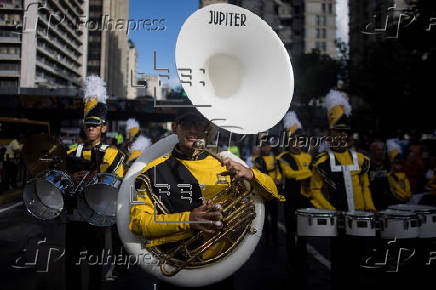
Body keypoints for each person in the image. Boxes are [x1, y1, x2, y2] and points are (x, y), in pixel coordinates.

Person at [129, 110, 284, 290]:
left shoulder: (224, 164)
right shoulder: (153, 171)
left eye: (200, 125)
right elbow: (138, 223)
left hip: (220, 265)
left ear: (207, 130)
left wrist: (250, 174)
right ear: (175, 128)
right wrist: (188, 220)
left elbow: (272, 194)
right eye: (187, 124)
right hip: (177, 267)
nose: (193, 131)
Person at [309, 89, 375, 290]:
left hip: (359, 219)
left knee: (357, 265)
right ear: (330, 134)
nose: (342, 135)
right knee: (339, 265)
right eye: (337, 131)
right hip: (338, 222)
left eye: (345, 132)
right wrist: (330, 210)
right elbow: (315, 191)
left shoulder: (362, 159)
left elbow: (365, 187)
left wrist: (369, 207)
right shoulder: (322, 162)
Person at [65, 76, 125, 290]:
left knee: (94, 268)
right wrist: (69, 178)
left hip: (98, 218)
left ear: (103, 128)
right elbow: (61, 182)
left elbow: (117, 183)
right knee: (70, 267)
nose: (90, 128)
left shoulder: (115, 154)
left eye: (95, 124)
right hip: (74, 218)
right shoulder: (71, 152)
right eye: (87, 124)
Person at [277, 111, 312, 284]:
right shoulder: (283, 157)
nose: (296, 143)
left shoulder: (307, 156)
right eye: (293, 141)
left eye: (299, 140)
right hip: (291, 198)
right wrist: (308, 172)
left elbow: (312, 178)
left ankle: (302, 258)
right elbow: (291, 175)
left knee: (304, 231)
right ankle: (292, 260)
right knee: (291, 231)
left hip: (305, 199)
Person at [253, 138, 282, 245]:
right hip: (263, 191)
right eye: (263, 146)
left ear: (270, 147)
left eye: (267, 146)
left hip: (274, 190)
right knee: (264, 217)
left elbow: (279, 171)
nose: (265, 148)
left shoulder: (275, 158)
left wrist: (279, 178)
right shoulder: (257, 160)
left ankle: (275, 238)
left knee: (274, 216)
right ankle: (266, 239)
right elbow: (255, 174)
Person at [386, 139, 411, 203]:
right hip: (396, 199)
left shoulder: (403, 175)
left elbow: (407, 186)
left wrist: (407, 195)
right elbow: (395, 188)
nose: (398, 166)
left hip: (405, 199)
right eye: (395, 164)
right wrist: (404, 195)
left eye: (399, 164)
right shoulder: (389, 176)